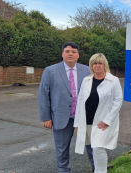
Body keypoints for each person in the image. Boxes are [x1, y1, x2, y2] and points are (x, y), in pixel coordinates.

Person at [38, 42, 95, 173]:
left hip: (84, 116)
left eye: (74, 52)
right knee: (62, 147)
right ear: (62, 54)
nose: (70, 54)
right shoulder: (50, 70)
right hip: (62, 116)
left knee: (92, 143)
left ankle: (97, 166)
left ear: (78, 55)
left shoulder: (87, 70)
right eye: (67, 51)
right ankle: (64, 170)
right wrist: (46, 117)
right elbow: (43, 94)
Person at [74, 53, 123, 173]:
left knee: (98, 148)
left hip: (102, 121)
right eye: (94, 63)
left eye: (100, 63)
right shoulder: (87, 80)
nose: (97, 65)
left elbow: (118, 100)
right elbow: (80, 101)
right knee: (91, 146)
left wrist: (107, 120)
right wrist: (77, 122)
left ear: (105, 65)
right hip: (87, 120)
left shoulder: (113, 80)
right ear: (91, 65)